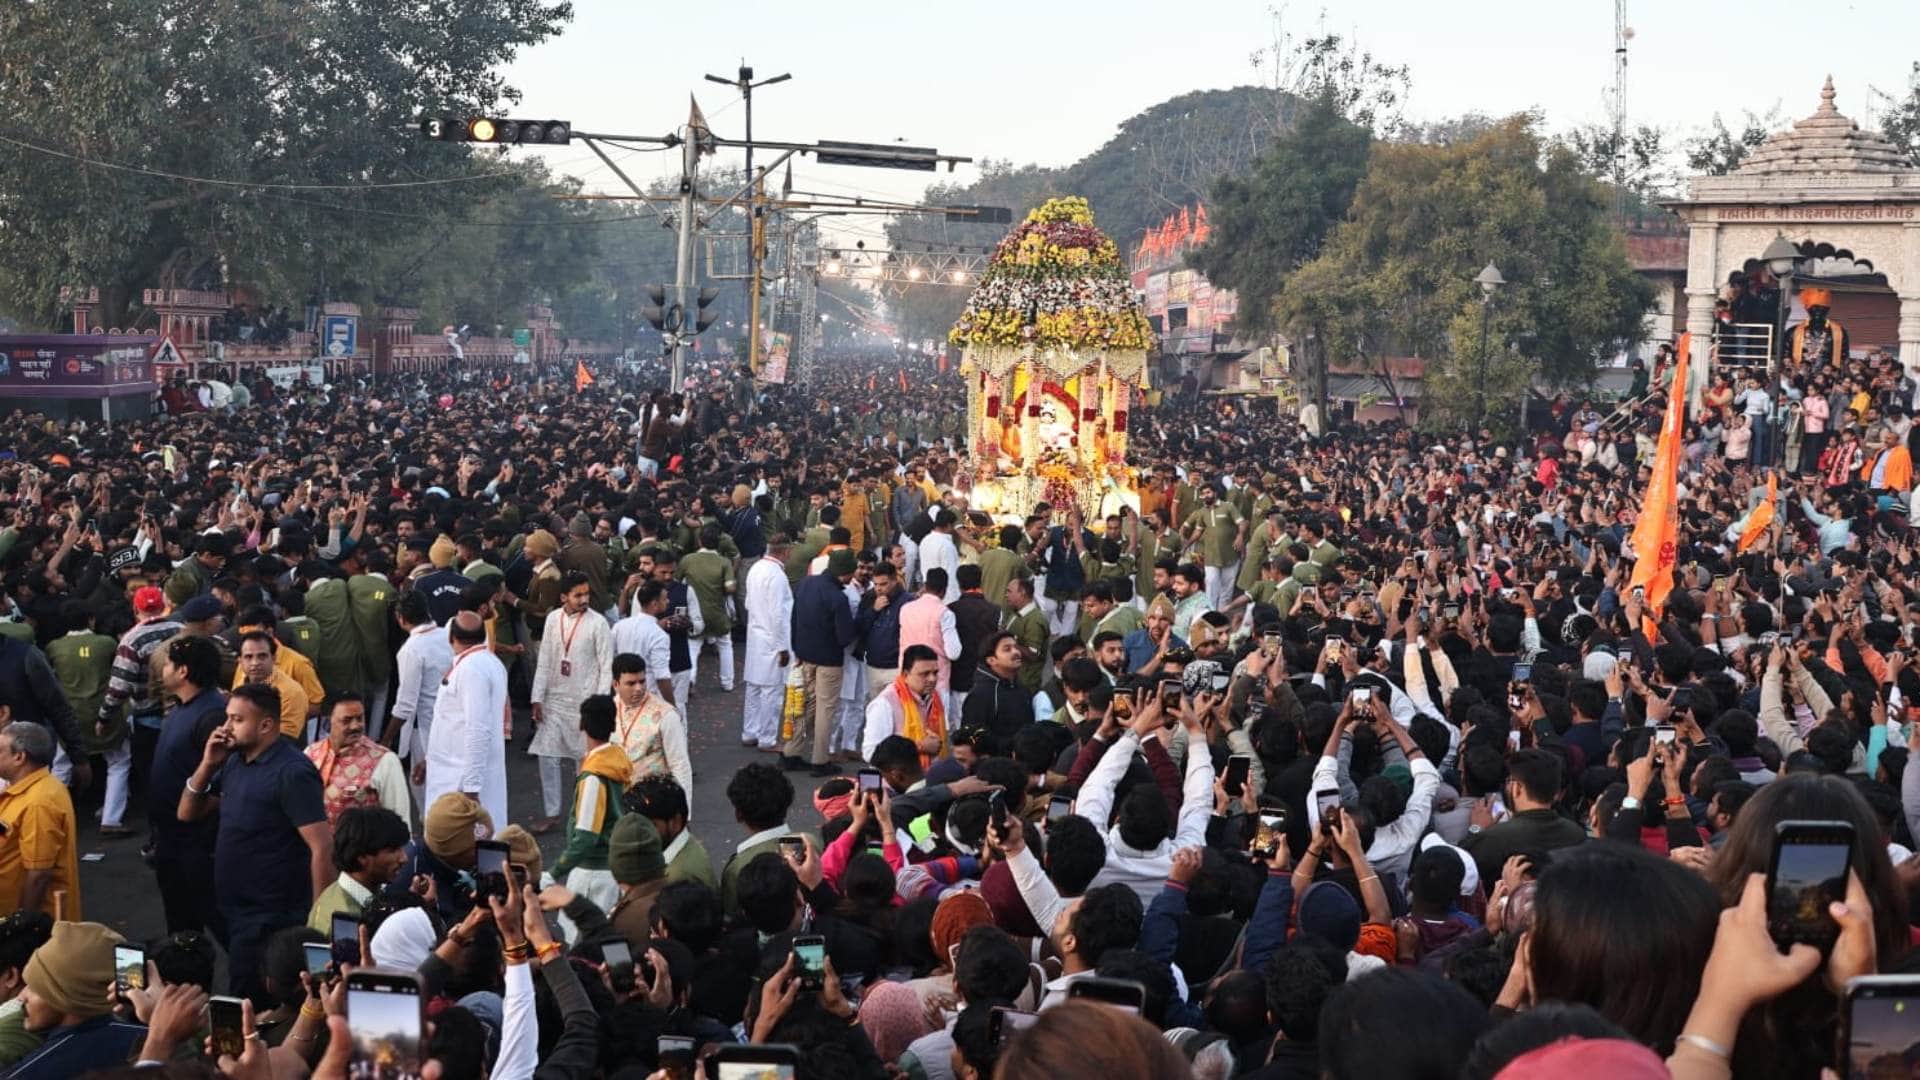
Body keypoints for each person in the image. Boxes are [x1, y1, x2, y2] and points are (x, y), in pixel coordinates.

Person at [176, 681, 331, 1001]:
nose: (225, 727)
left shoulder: (291, 772)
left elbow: (321, 846)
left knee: (249, 998)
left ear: (266, 725)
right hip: (235, 908)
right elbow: (187, 812)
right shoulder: (234, 761)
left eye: (236, 719)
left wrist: (316, 920)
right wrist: (207, 764)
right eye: (227, 718)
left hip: (272, 914)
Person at [146, 635, 228, 936]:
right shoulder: (183, 708)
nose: (162, 669)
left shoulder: (211, 715)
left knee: (219, 922)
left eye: (168, 663)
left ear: (183, 671)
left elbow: (223, 780)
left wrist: (201, 810)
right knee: (182, 930)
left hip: (196, 844)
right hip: (171, 841)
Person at [531, 571, 615, 833]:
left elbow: (606, 666)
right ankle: (552, 813)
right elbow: (544, 659)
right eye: (578, 595)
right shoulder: (553, 619)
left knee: (584, 762)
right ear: (563, 597)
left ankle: (584, 815)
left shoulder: (598, 623)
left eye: (586, 594)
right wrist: (537, 697)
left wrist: (598, 706)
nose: (583, 599)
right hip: (554, 699)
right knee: (547, 755)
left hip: (585, 700)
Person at [7, 921, 144, 1077]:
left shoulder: (32, 1072)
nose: (21, 997)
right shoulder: (158, 1041)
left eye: (35, 988)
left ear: (66, 997)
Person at [550, 694, 634, 933]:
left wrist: (554, 872)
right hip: (614, 870)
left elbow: (586, 837)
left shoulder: (594, 777)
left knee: (584, 945)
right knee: (611, 941)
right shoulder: (618, 760)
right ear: (613, 725)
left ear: (582, 725)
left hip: (592, 876)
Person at [424, 610, 509, 828]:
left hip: (460, 776)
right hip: (460, 770)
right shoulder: (488, 662)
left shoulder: (472, 669)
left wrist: (471, 787)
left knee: (462, 845)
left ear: (451, 637)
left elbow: (477, 728)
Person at [785, 547, 858, 777]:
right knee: (826, 710)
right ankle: (820, 759)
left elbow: (794, 617)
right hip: (829, 661)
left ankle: (791, 752)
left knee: (805, 705)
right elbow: (845, 637)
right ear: (845, 573)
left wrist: (796, 647)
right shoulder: (838, 598)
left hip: (805, 655)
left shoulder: (806, 584)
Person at [0, 725, 77, 920]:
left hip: (33, 927)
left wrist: (23, 925)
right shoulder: (24, 790)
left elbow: (38, 874)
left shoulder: (39, 802)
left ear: (19, 757)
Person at [303, 691, 410, 827]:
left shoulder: (385, 760)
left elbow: (400, 819)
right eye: (346, 720)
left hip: (362, 846)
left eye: (359, 718)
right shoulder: (311, 753)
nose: (355, 726)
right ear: (329, 719)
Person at [386, 588, 452, 804]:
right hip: (452, 720)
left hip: (425, 728)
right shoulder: (447, 635)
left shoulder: (411, 650)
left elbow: (405, 704)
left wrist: (386, 739)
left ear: (401, 619)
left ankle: (431, 827)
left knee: (424, 783)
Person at [305, 804, 410, 931]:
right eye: (393, 850)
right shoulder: (345, 921)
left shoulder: (357, 897)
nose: (404, 858)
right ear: (362, 857)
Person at [742, 534, 794, 752]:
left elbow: (747, 603)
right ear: (784, 551)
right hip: (773, 639)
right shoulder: (777, 576)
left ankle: (750, 732)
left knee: (754, 688)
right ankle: (767, 739)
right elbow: (778, 616)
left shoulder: (755, 568)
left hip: (756, 636)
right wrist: (783, 647)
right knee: (771, 692)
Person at [862, 644, 947, 764]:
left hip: (930, 776)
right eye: (925, 674)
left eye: (935, 673)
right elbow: (871, 753)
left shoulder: (935, 698)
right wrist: (920, 746)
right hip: (897, 780)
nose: (932, 679)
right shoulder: (885, 704)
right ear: (906, 675)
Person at [898, 567, 962, 718]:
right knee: (935, 729)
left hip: (908, 677)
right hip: (935, 681)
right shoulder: (944, 613)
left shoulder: (906, 609)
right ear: (944, 590)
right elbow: (954, 653)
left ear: (925, 586)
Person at [681, 523, 738, 692]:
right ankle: (727, 683)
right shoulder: (724, 562)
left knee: (693, 646)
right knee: (725, 645)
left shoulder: (687, 560)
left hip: (695, 614)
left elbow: (677, 581)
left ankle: (690, 681)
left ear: (699, 541)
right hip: (718, 613)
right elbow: (730, 588)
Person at [234, 629, 310, 742]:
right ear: (240, 661)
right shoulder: (242, 678)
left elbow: (286, 739)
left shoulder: (291, 692)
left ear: (274, 658)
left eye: (262, 656)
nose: (255, 663)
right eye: (248, 657)